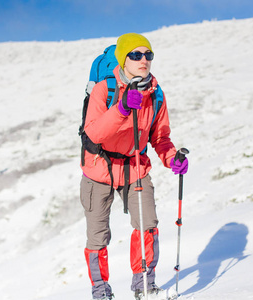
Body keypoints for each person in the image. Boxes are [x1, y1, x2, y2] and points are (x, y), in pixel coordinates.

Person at [80, 33, 189, 300]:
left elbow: (160, 137)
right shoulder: (103, 90)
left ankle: (144, 285)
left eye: (148, 55)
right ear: (123, 58)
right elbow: (93, 134)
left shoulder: (155, 93)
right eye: (136, 55)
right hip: (98, 169)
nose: (143, 60)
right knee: (98, 236)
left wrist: (172, 157)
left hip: (136, 167)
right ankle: (101, 292)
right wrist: (121, 109)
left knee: (148, 225)